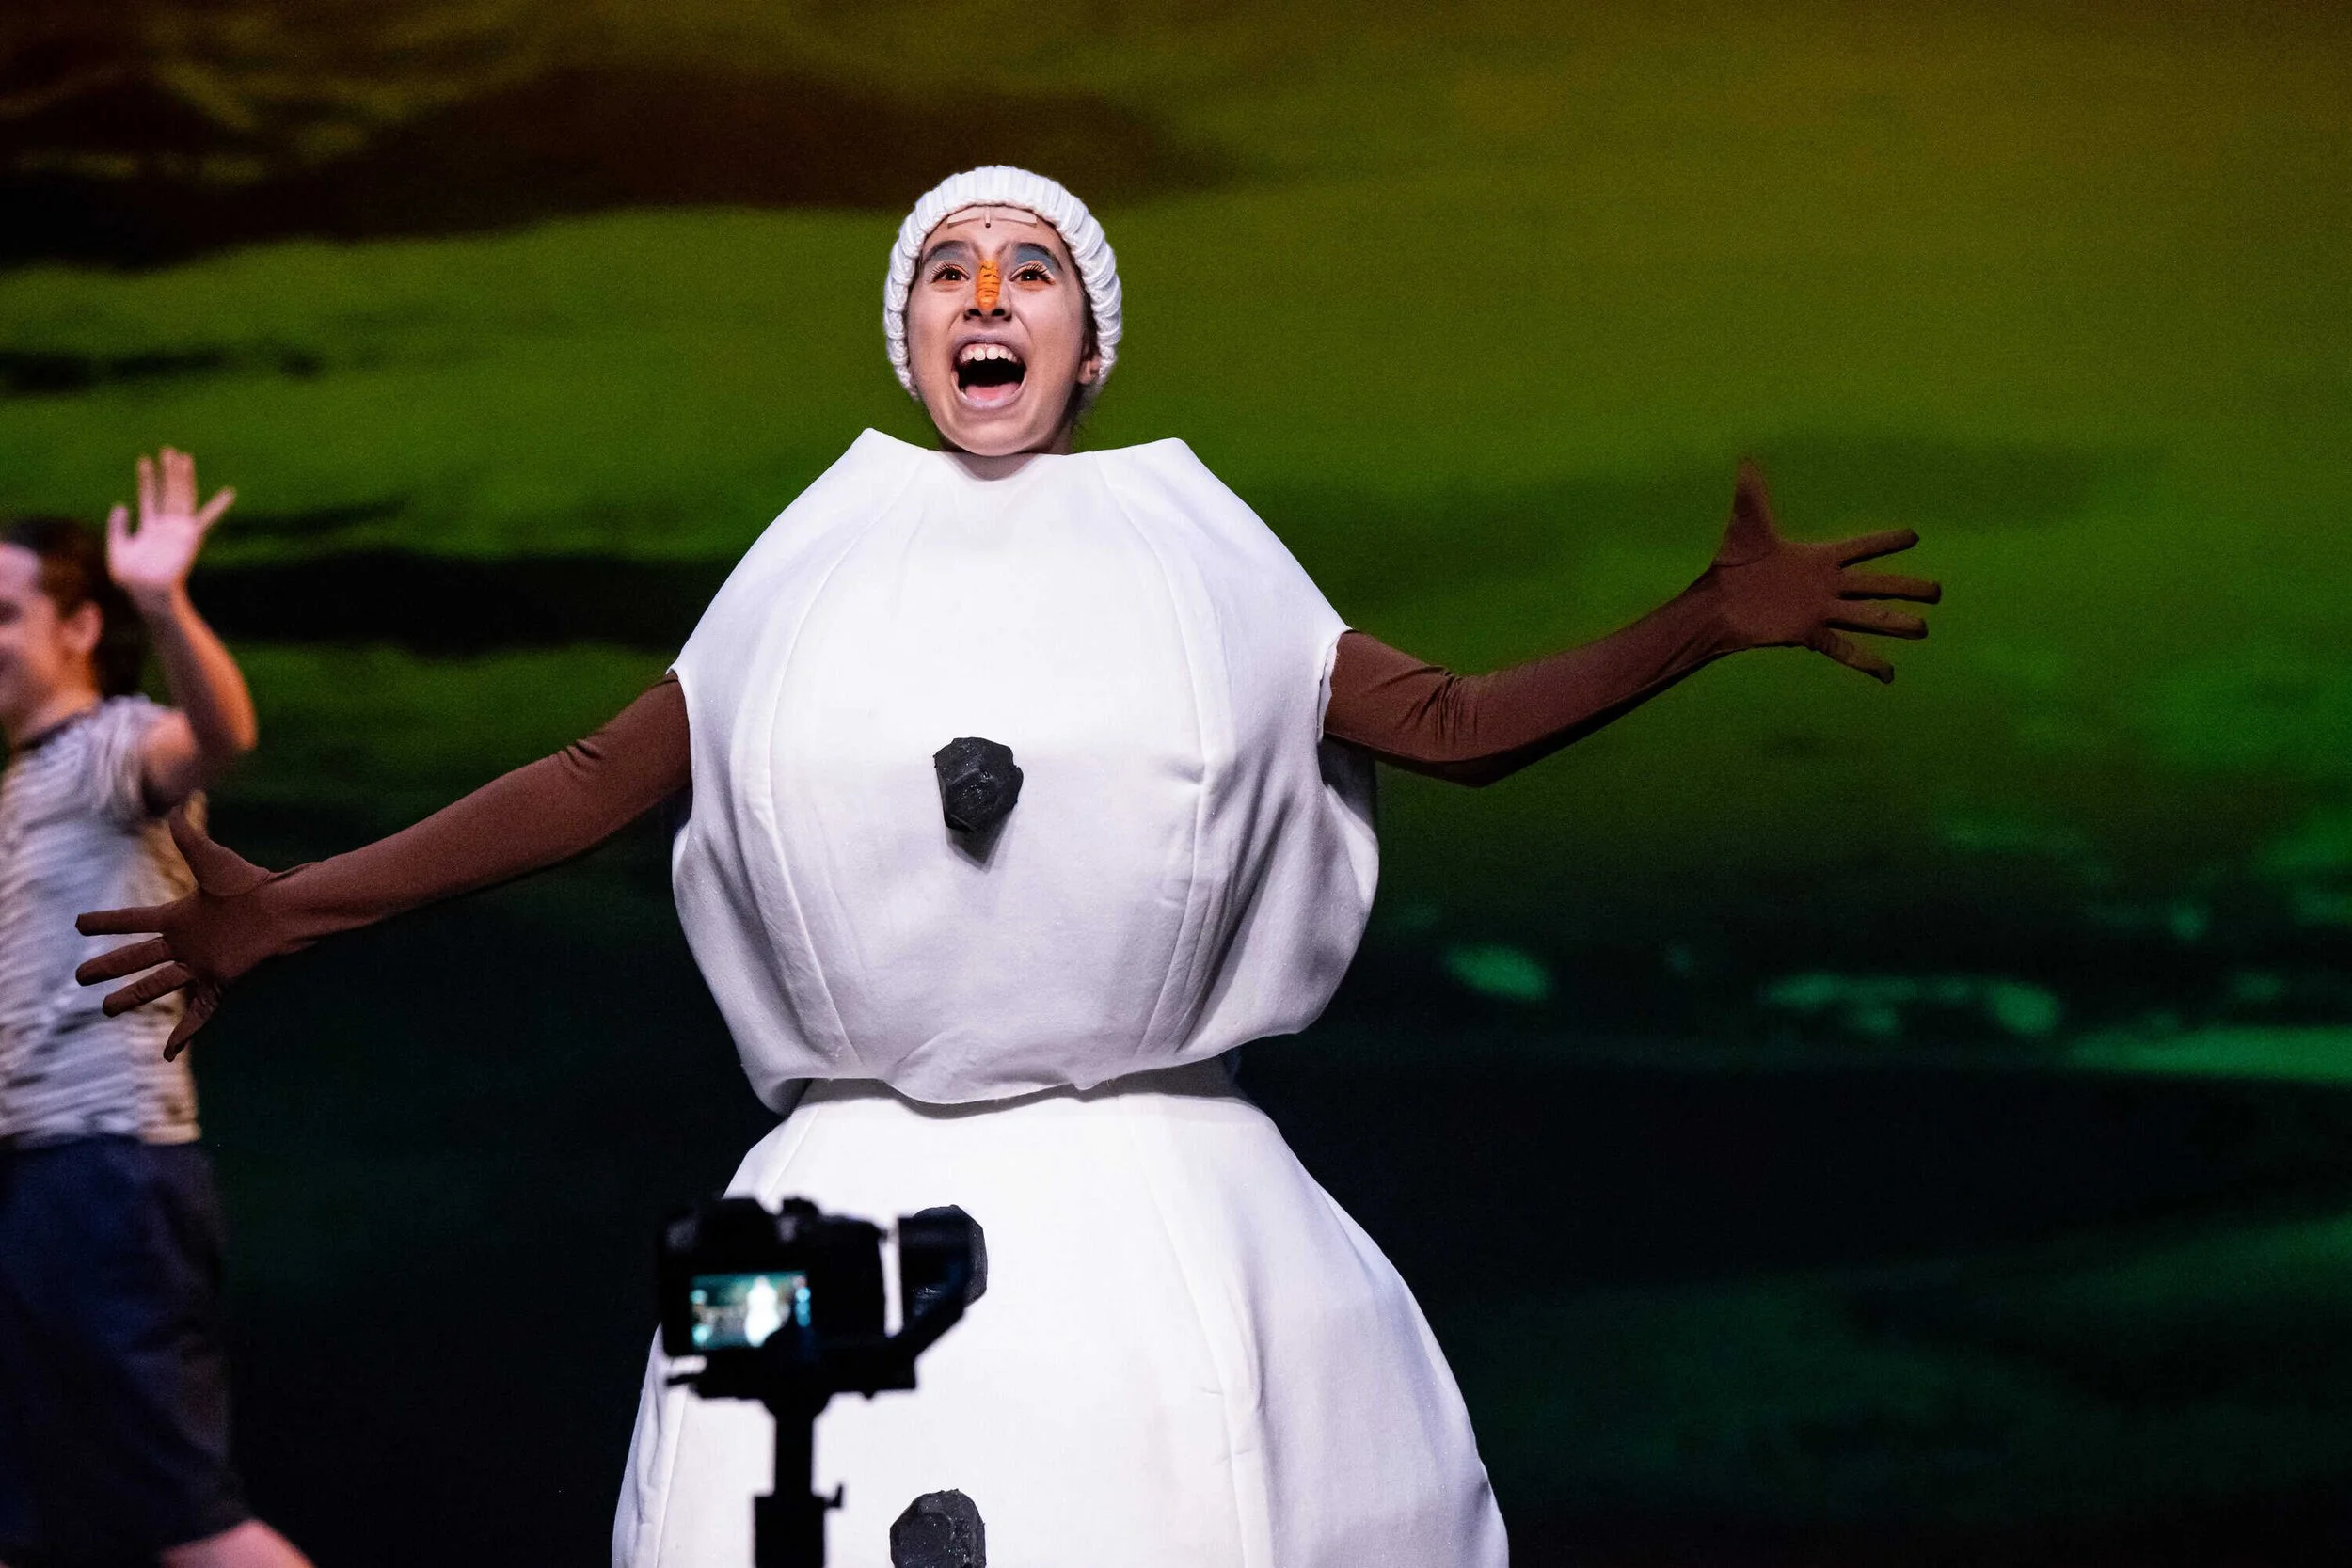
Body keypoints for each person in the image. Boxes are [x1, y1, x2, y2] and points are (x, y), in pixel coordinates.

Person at [77, 168, 1938, 1567]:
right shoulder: (816, 558)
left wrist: (1698, 621)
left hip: (1166, 1205)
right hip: (852, 1195)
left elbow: (1440, 717)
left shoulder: (1195, 543)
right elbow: (593, 777)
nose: (986, 294)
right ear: (904, 333)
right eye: (946, 269)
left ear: (1089, 332)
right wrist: (287, 907)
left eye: (1029, 264)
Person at [0, 451, 309, 1568]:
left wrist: (164, 600)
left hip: (104, 1175)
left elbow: (215, 731)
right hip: (39, 1176)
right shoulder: (27, 779)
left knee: (190, 1523)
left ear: (79, 627)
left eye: (3, 611)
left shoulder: (105, 750)